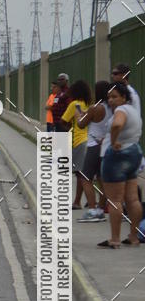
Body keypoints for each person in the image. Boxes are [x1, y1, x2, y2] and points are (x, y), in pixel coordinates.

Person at [97, 83, 143, 248]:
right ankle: (133, 236)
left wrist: (114, 141)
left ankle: (115, 239)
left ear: (124, 97)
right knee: (133, 198)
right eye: (109, 97)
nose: (111, 100)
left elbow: (117, 125)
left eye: (115, 96)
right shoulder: (134, 112)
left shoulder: (121, 111)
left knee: (115, 199)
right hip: (134, 151)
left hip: (118, 155)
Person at [76, 80, 111, 222]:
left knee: (85, 177)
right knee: (102, 179)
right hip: (106, 145)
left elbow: (81, 124)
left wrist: (80, 115)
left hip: (94, 145)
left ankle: (92, 209)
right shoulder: (111, 107)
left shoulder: (94, 108)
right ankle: (101, 209)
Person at [58, 79, 91, 209]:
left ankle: (77, 202)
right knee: (87, 174)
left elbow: (63, 121)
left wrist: (69, 129)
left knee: (79, 174)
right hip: (90, 141)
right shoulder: (89, 104)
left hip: (78, 141)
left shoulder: (74, 104)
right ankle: (91, 201)